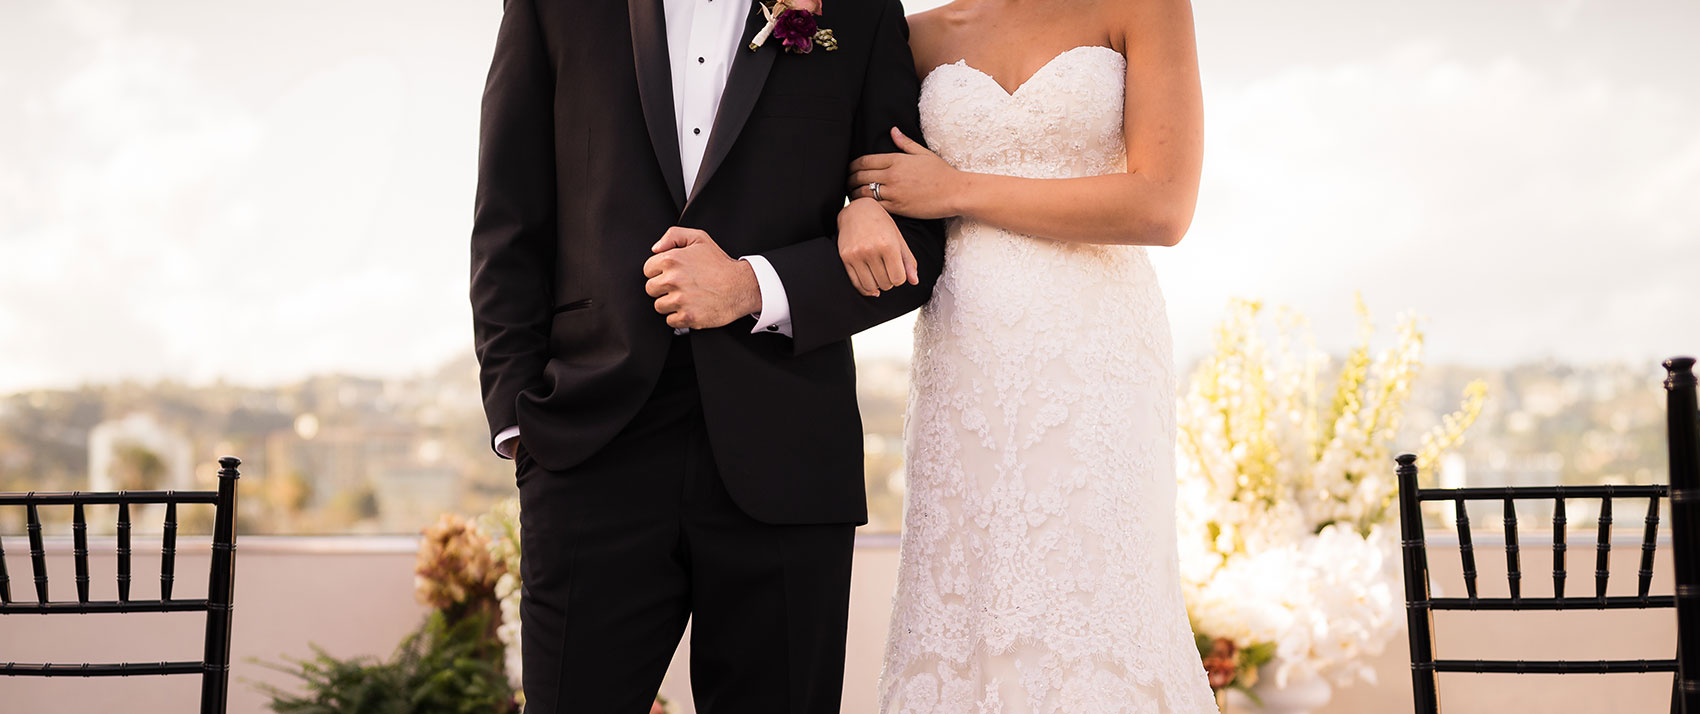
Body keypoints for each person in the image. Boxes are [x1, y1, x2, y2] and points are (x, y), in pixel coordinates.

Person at [467, 0, 946, 710]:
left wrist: (754, 286)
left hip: (787, 453)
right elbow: (509, 216)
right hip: (590, 449)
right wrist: (519, 424)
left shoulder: (860, 9)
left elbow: (917, 240)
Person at [831, 0, 1219, 710]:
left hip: (1097, 351)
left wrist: (957, 190)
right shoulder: (916, 33)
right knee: (969, 590)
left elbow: (1163, 205)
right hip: (964, 351)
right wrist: (857, 207)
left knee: (1094, 585)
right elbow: (852, 168)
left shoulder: (1145, 6)